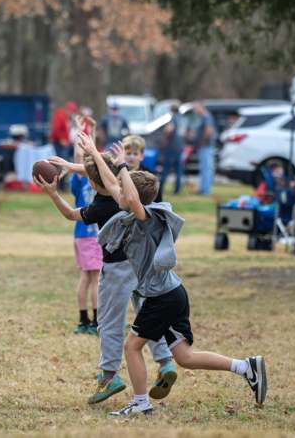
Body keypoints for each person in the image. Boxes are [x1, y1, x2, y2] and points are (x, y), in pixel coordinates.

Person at [79, 133, 267, 417]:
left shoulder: (145, 221)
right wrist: (95, 153)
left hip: (161, 298)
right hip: (173, 293)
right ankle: (246, 367)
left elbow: (125, 191)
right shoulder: (133, 211)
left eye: (125, 189)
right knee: (185, 358)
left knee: (131, 347)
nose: (119, 190)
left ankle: (141, 404)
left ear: (134, 198)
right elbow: (113, 186)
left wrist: (123, 168)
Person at [37, 145, 177, 406]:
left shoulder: (100, 207)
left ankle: (109, 376)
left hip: (116, 271)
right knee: (148, 317)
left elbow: (70, 214)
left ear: (91, 182)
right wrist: (73, 164)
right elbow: (107, 175)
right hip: (143, 266)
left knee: (110, 323)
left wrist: (53, 193)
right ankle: (166, 360)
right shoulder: (124, 195)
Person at [69, 116, 101, 335]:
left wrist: (89, 132)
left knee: (85, 277)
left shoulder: (82, 180)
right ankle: (96, 321)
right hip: (92, 236)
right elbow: (87, 157)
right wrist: (81, 134)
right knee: (96, 278)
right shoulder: (87, 180)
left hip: (81, 235)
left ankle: (84, 320)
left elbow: (89, 155)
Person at [122, 135, 162, 202]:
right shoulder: (119, 172)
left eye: (135, 154)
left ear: (142, 156)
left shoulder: (150, 176)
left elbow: (158, 200)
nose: (131, 157)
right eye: (128, 153)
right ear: (123, 154)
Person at [158, 103, 185, 195]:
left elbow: (169, 130)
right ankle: (177, 189)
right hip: (180, 146)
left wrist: (164, 138)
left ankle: (160, 189)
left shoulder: (173, 118)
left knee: (166, 169)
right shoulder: (182, 119)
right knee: (178, 170)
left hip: (171, 147)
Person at [192, 101, 216, 195]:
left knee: (206, 168)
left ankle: (205, 191)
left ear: (201, 107)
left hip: (206, 146)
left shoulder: (206, 117)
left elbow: (208, 130)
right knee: (205, 168)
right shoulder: (205, 117)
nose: (195, 111)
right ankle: (203, 189)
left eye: (196, 108)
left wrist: (202, 141)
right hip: (206, 146)